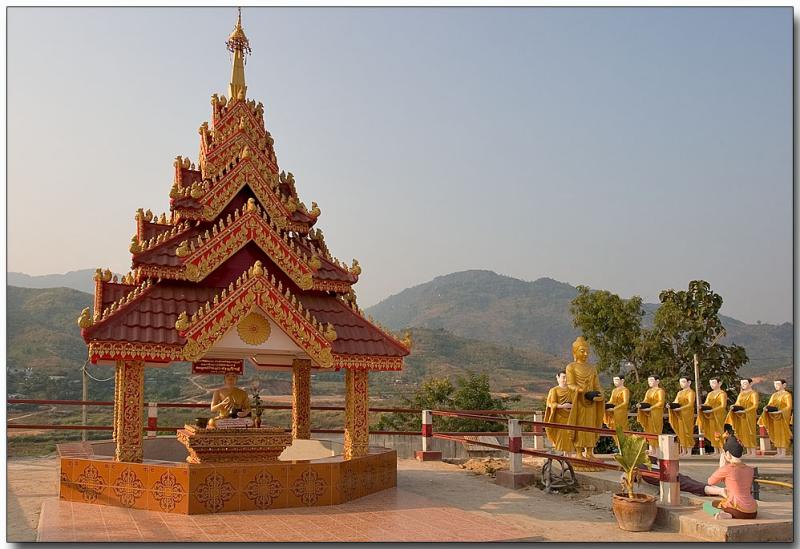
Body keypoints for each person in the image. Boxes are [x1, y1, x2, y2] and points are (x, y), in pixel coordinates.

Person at [564, 337, 605, 459]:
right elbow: (570, 384)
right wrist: (581, 390)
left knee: (591, 426)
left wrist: (600, 394)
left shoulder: (592, 368)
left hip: (591, 403)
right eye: (582, 351)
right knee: (580, 425)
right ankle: (578, 452)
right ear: (575, 352)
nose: (585, 354)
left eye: (587, 351)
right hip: (579, 401)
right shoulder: (571, 367)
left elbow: (597, 386)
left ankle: (590, 452)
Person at [702, 433, 758, 520]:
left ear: (727, 454)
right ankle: (729, 514)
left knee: (706, 505)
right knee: (733, 504)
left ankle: (727, 514)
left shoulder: (727, 469)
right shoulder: (750, 470)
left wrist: (721, 467)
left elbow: (710, 481)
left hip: (737, 508)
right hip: (752, 511)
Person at [758, 379, 793, 457]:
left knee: (782, 433)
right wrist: (766, 408)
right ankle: (779, 451)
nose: (776, 386)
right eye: (775, 384)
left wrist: (780, 411)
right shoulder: (774, 395)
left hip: (782, 417)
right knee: (776, 433)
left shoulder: (787, 395)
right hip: (774, 417)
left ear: (784, 385)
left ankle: (783, 452)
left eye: (778, 384)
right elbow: (770, 404)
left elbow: (789, 406)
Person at [725, 378, 759, 456]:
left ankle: (753, 451)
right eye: (742, 384)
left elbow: (755, 405)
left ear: (750, 384)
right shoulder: (741, 394)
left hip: (749, 415)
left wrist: (745, 411)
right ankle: (748, 451)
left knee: (750, 432)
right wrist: (733, 407)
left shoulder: (753, 394)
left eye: (745, 383)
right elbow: (737, 403)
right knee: (743, 433)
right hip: (740, 416)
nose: (743, 385)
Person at [544, 371, 574, 455]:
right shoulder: (554, 390)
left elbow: (577, 403)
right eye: (563, 377)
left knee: (570, 438)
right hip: (559, 417)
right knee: (560, 439)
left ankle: (569, 458)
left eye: (567, 377)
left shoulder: (572, 390)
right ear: (558, 378)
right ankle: (562, 458)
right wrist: (562, 406)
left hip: (570, 417)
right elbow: (551, 403)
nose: (565, 379)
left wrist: (572, 406)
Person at [697, 377, 728, 453]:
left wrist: (712, 410)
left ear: (719, 383)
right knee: (712, 432)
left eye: (714, 383)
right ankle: (715, 450)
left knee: (719, 431)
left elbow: (723, 405)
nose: (712, 385)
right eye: (710, 383)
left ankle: (722, 450)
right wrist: (702, 406)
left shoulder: (722, 393)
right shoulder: (710, 394)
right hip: (710, 415)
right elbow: (707, 403)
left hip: (719, 415)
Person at [636, 375, 666, 454]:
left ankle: (657, 449)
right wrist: (641, 405)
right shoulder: (648, 391)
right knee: (649, 430)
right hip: (648, 413)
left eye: (651, 380)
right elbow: (646, 400)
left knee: (656, 430)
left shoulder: (660, 391)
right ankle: (652, 448)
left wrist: (651, 408)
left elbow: (660, 402)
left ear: (657, 381)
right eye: (649, 381)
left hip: (656, 413)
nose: (650, 382)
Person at [668, 377, 696, 456]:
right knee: (681, 432)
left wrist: (680, 408)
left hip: (687, 414)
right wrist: (670, 405)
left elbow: (690, 404)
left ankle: (689, 450)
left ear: (689, 382)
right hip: (679, 414)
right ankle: (683, 450)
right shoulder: (679, 393)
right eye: (680, 382)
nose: (681, 384)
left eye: (683, 382)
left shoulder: (691, 392)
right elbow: (676, 401)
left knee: (687, 431)